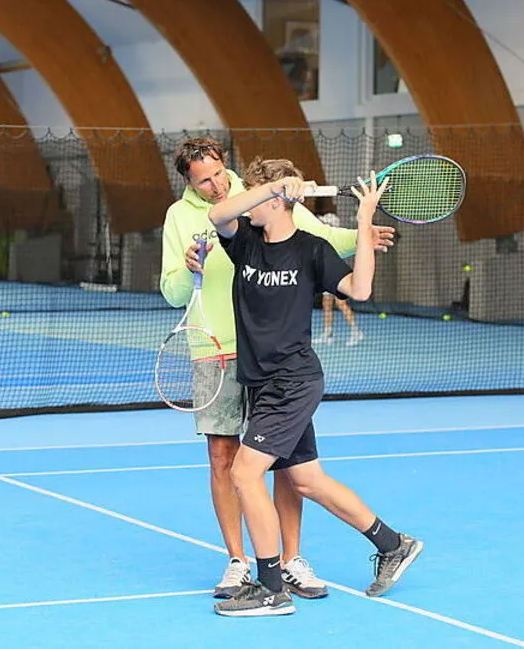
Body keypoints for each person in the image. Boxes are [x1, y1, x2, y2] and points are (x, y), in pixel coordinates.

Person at [159, 137, 396, 600]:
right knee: (258, 468)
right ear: (188, 180)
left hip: (285, 371)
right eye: (200, 180)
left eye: (215, 175)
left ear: (223, 165)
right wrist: (194, 266)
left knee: (275, 472)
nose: (212, 185)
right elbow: (205, 239)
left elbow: (326, 251)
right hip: (228, 355)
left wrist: (363, 230)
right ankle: (244, 562)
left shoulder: (286, 227)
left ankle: (282, 571)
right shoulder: (232, 227)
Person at [207, 158, 422, 617]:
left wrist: (364, 221)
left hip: (294, 380)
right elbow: (217, 214)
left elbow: (359, 289)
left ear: (281, 200)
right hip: (262, 384)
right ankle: (392, 544)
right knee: (306, 480)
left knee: (244, 474)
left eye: (258, 191)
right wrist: (271, 189)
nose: (250, 200)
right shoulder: (244, 243)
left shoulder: (312, 249)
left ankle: (270, 588)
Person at [313, 205, 364, 346]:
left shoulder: (332, 233)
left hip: (334, 274)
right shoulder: (321, 234)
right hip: (323, 272)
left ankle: (356, 331)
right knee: (326, 304)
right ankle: (328, 333)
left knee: (341, 303)